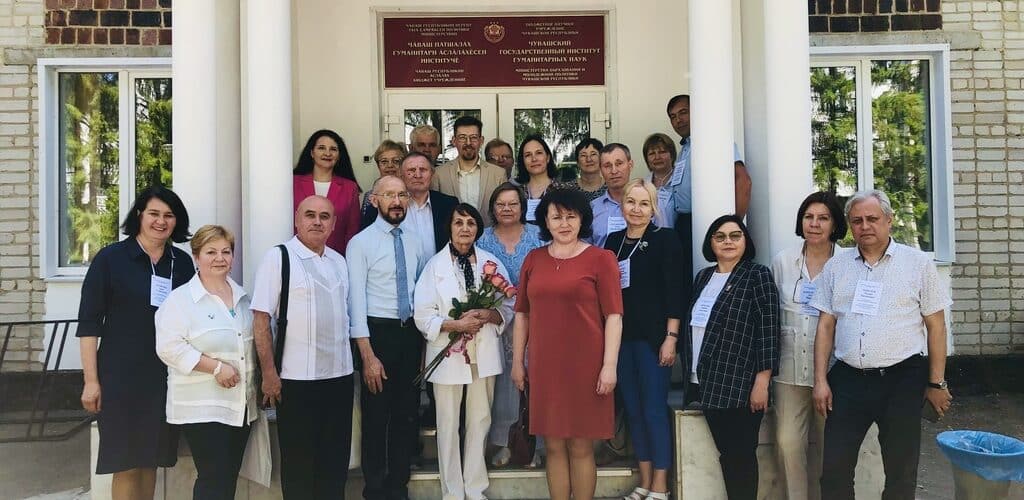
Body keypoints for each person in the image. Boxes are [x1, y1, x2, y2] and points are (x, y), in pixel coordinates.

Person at [811, 189, 953, 500]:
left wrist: (936, 382)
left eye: (872, 219)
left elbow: (936, 326)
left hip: (902, 379)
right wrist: (820, 381)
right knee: (834, 470)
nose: (865, 226)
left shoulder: (917, 264)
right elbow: (825, 325)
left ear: (889, 220)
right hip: (848, 380)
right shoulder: (836, 267)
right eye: (857, 221)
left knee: (901, 472)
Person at [77, 186, 194, 500]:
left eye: (169, 215)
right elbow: (89, 324)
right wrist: (91, 381)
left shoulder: (182, 263)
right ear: (140, 215)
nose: (161, 221)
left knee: (149, 461)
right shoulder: (111, 259)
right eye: (154, 213)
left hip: (164, 377)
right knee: (126, 464)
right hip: (120, 378)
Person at [511, 188, 623, 500]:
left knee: (581, 445)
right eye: (557, 217)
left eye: (571, 217)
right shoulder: (533, 259)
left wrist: (609, 366)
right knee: (553, 444)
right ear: (545, 221)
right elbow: (521, 315)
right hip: (545, 366)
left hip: (587, 366)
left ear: (582, 220)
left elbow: (614, 316)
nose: (564, 223)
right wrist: (518, 362)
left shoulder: (601, 259)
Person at [251, 195, 356, 499]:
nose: (317, 222)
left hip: (339, 378)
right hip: (296, 380)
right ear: (297, 219)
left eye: (325, 216)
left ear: (333, 224)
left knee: (334, 464)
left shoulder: (339, 261)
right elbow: (261, 320)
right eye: (310, 215)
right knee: (298, 465)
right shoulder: (278, 258)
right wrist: (268, 374)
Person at [414, 203, 514, 500]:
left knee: (480, 419)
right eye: (459, 222)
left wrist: (489, 315)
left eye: (471, 223)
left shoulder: (491, 262)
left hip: (483, 351)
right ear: (449, 227)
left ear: (478, 229)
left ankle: (474, 487)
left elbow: (509, 304)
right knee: (447, 423)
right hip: (448, 352)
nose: (465, 228)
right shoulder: (434, 266)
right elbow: (422, 315)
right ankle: (453, 492)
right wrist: (455, 324)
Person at [155, 225, 261, 500]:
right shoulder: (180, 300)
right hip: (203, 408)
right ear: (196, 257)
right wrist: (215, 367)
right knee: (213, 480)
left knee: (227, 479)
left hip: (240, 407)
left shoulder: (242, 298)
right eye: (211, 252)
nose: (219, 258)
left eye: (226, 252)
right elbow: (168, 347)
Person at [683, 214, 780, 500]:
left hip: (741, 383)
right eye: (720, 236)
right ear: (710, 243)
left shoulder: (756, 275)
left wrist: (762, 381)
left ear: (746, 241)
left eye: (735, 235)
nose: (728, 241)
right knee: (727, 454)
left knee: (742, 456)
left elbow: (768, 328)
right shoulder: (704, 277)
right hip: (707, 381)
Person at [603, 179, 682, 500]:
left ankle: (661, 485)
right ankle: (645, 481)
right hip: (621, 339)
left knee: (653, 410)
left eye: (644, 203)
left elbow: (676, 291)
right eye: (631, 202)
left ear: (654, 208)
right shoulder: (613, 242)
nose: (636, 209)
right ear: (622, 205)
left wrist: (671, 337)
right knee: (634, 411)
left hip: (654, 339)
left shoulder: (665, 239)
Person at [347, 176, 424, 500]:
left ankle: (398, 486)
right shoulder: (360, 244)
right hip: (377, 335)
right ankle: (375, 488)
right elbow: (355, 302)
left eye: (402, 195)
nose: (397, 201)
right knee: (377, 416)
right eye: (389, 195)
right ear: (375, 200)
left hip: (411, 335)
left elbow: (422, 292)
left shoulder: (416, 240)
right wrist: (367, 356)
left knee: (406, 414)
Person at [769, 192, 846, 500]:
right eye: (808, 217)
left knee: (832, 448)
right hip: (789, 369)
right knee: (787, 444)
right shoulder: (783, 261)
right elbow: (772, 314)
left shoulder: (847, 263)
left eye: (823, 218)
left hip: (835, 371)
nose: (814, 224)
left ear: (834, 224)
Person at [475, 182, 544, 467]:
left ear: (522, 207)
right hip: (498, 322)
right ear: (492, 208)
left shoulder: (539, 236)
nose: (507, 209)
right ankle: (505, 442)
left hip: (537, 319)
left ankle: (535, 444)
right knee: (504, 382)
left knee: (536, 380)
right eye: (500, 204)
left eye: (513, 204)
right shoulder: (482, 240)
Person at [361, 152, 459, 262]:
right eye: (411, 170)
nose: (417, 175)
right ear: (400, 175)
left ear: (432, 174)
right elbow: (367, 246)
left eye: (423, 170)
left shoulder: (449, 204)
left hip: (440, 271)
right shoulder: (380, 207)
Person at [293, 129, 362, 255]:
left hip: (335, 257)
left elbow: (352, 230)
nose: (327, 153)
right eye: (321, 148)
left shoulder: (350, 187)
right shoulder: (293, 182)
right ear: (312, 152)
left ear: (339, 155)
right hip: (297, 256)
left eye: (333, 149)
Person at [431, 116, 506, 225]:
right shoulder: (439, 174)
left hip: (488, 234)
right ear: (454, 141)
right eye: (462, 137)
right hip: (451, 235)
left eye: (473, 137)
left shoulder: (498, 174)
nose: (468, 143)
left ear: (481, 141)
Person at [514, 134, 577, 225]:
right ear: (523, 161)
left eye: (539, 153)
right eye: (528, 155)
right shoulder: (516, 193)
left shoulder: (566, 190)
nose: (534, 159)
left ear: (548, 158)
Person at [589, 143, 634, 248]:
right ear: (601, 170)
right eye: (607, 166)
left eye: (619, 164)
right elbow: (584, 247)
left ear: (630, 165)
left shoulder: (647, 203)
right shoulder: (592, 208)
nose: (614, 171)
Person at [361, 140, 409, 221]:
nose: (390, 165)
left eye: (396, 161)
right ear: (378, 166)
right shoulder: (370, 196)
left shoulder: (411, 194)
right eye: (384, 161)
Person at [640, 133, 678, 227]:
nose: (657, 157)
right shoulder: (642, 185)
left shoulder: (681, 180)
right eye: (652, 154)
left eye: (662, 152)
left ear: (672, 155)